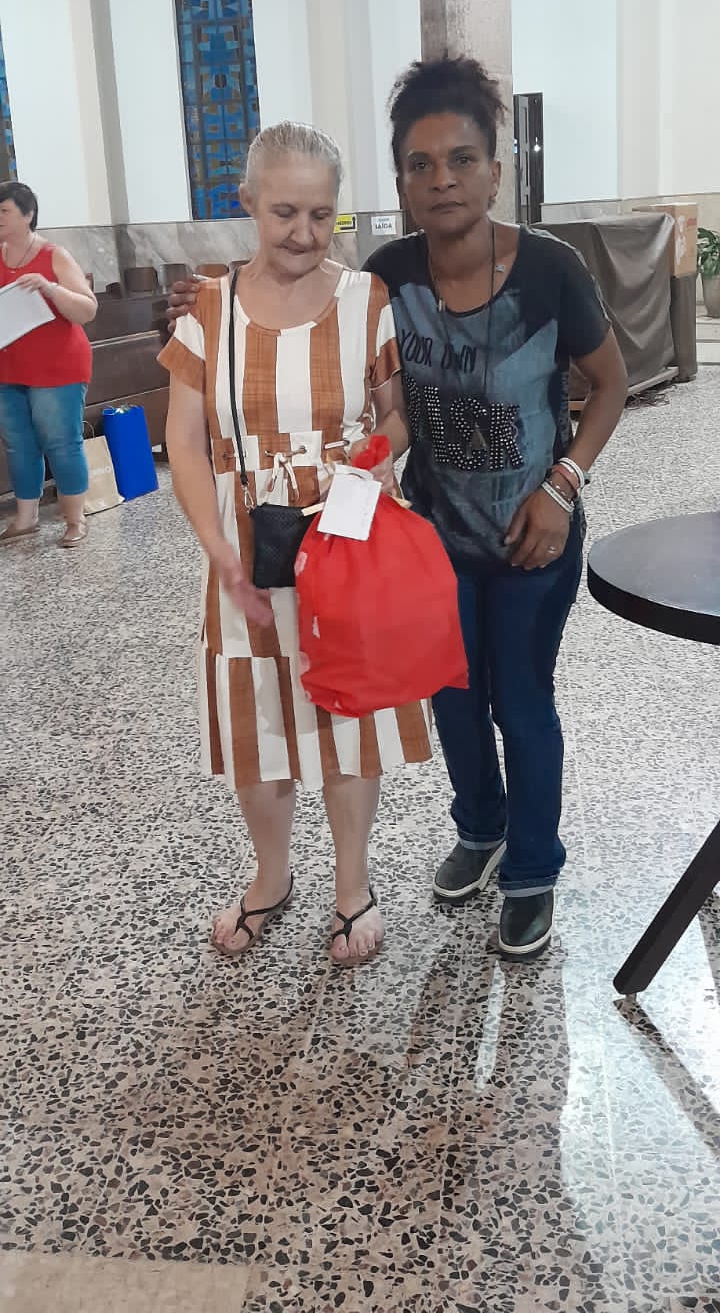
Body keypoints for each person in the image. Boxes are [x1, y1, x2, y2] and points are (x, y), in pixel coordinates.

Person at [168, 56, 627, 962]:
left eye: (462, 160)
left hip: (532, 531)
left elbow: (607, 385)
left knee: (521, 702)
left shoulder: (548, 269)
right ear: (401, 181)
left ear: (496, 170)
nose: (442, 179)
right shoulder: (387, 273)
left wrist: (562, 487)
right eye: (421, 164)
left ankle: (532, 869)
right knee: (452, 695)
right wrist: (210, 296)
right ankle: (481, 828)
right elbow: (299, 319)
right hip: (431, 539)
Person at [158, 122, 431, 965]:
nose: (305, 234)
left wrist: (371, 463)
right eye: (284, 213)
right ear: (247, 203)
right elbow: (186, 443)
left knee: (346, 718)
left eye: (322, 215)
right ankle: (270, 876)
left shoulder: (365, 300)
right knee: (258, 725)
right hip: (245, 552)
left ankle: (353, 885)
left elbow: (397, 413)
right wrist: (217, 548)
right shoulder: (208, 311)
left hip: (344, 543)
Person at [0, 181, 97, 549]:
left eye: (4, 211)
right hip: (8, 367)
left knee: (61, 442)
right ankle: (26, 519)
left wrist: (48, 287)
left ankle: (74, 519)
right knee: (18, 444)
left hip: (57, 366)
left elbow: (87, 309)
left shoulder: (54, 255)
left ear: (28, 215)